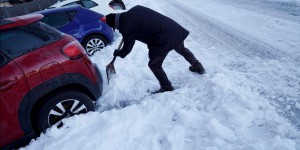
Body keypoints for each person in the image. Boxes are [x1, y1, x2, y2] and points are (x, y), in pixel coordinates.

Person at [105, 5, 205, 93]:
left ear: (115, 25)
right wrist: (127, 32)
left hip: (163, 38)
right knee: (181, 49)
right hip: (172, 28)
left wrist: (118, 53)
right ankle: (198, 66)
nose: (118, 29)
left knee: (154, 65)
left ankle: (167, 87)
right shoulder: (135, 9)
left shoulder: (126, 27)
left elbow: (126, 50)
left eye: (116, 28)